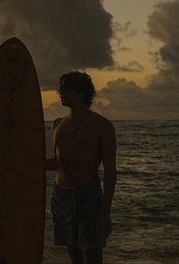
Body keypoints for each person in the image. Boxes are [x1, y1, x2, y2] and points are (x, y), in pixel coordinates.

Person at [45, 72, 117, 264]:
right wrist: (25, 163)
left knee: (92, 257)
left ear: (79, 93)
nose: (59, 93)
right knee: (74, 258)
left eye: (64, 89)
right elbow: (58, 162)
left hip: (89, 195)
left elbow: (110, 171)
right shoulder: (57, 124)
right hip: (61, 195)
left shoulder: (102, 125)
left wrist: (106, 211)